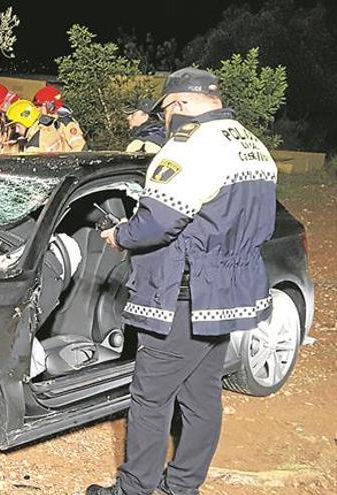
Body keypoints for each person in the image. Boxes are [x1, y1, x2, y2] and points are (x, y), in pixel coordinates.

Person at [90, 67, 278, 495]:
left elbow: (160, 220)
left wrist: (121, 235)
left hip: (183, 291)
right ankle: (182, 486)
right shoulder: (251, 144)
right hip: (225, 291)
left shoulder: (191, 145)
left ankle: (134, 488)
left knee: (151, 397)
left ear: (178, 105)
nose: (168, 120)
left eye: (168, 111)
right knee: (200, 395)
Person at [4, 99, 69, 154]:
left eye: (17, 126)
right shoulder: (51, 124)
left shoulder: (33, 147)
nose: (16, 131)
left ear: (26, 121)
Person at [33, 85, 86, 151]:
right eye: (36, 106)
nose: (37, 109)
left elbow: (79, 146)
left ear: (51, 106)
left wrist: (67, 161)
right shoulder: (42, 124)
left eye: (40, 106)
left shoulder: (65, 122)